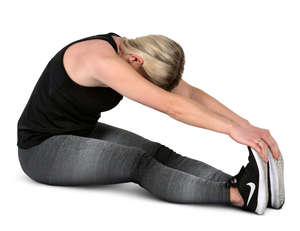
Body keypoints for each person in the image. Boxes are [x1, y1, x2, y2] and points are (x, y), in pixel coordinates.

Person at [17, 32, 284, 215]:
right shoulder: (101, 61)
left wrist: (244, 124)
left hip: (80, 132)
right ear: (135, 61)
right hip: (40, 150)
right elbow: (172, 106)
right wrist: (230, 130)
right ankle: (237, 196)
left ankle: (246, 185)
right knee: (138, 163)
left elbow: (188, 94)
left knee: (159, 152)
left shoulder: (136, 51)